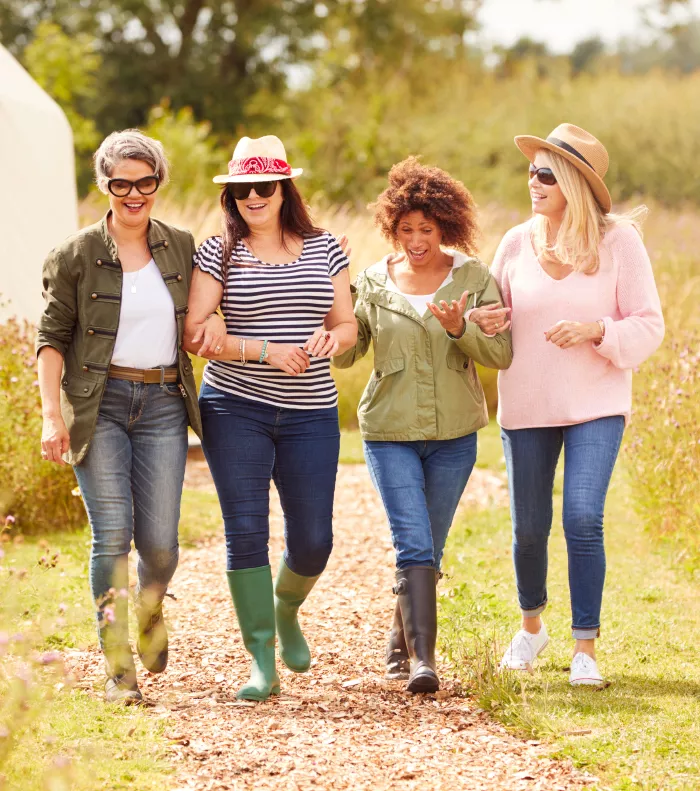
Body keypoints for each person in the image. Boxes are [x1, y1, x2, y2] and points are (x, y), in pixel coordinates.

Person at [469, 124, 664, 686]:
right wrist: (485, 321)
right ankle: (531, 629)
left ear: (575, 183)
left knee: (582, 517)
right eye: (532, 171)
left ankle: (585, 649)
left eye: (547, 174)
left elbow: (648, 325)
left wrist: (596, 329)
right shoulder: (513, 243)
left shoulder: (619, 243)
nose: (533, 181)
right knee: (528, 527)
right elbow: (497, 321)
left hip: (596, 405)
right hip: (527, 405)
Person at [36, 130, 225, 704]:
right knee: (112, 535)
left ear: (158, 182)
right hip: (100, 405)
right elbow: (51, 340)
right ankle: (119, 668)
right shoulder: (74, 255)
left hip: (164, 402)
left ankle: (149, 608)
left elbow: (207, 312)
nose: (134, 194)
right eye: (122, 184)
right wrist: (50, 415)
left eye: (145, 182)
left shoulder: (182, 246)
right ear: (105, 184)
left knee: (161, 546)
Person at [183, 135, 357, 702]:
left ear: (285, 189)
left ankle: (285, 609)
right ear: (231, 195)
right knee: (246, 532)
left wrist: (332, 339)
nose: (253, 196)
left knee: (314, 541)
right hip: (235, 407)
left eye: (264, 185)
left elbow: (347, 324)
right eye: (242, 188)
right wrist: (265, 352)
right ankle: (261, 660)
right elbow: (195, 333)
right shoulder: (217, 253)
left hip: (312, 411)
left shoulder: (326, 247)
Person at [332, 157, 513, 693]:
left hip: (455, 436)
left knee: (430, 544)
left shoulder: (473, 278)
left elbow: (500, 354)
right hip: (389, 433)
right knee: (413, 542)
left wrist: (460, 329)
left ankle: (400, 638)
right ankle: (423, 662)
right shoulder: (371, 281)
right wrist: (333, 289)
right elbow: (346, 355)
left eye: (426, 230)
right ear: (393, 228)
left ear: (445, 227)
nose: (416, 240)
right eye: (406, 229)